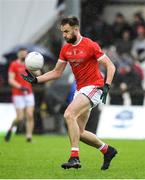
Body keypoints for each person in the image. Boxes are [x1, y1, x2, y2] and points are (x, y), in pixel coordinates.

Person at [22, 16, 117, 170]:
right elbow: (56, 72)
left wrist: (107, 86)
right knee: (79, 132)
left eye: (66, 32)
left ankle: (74, 158)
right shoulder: (66, 49)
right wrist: (36, 80)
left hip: (95, 87)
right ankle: (107, 150)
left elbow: (110, 66)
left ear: (75, 29)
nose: (64, 35)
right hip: (80, 90)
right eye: (62, 32)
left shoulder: (90, 45)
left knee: (68, 114)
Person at [4, 48, 35, 142]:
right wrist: (20, 87)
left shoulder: (29, 64)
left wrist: (36, 67)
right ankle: (10, 129)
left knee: (30, 115)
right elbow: (11, 80)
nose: (23, 55)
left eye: (25, 54)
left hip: (29, 93)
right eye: (21, 54)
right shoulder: (14, 64)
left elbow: (38, 74)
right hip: (18, 94)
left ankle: (29, 137)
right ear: (18, 55)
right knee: (20, 118)